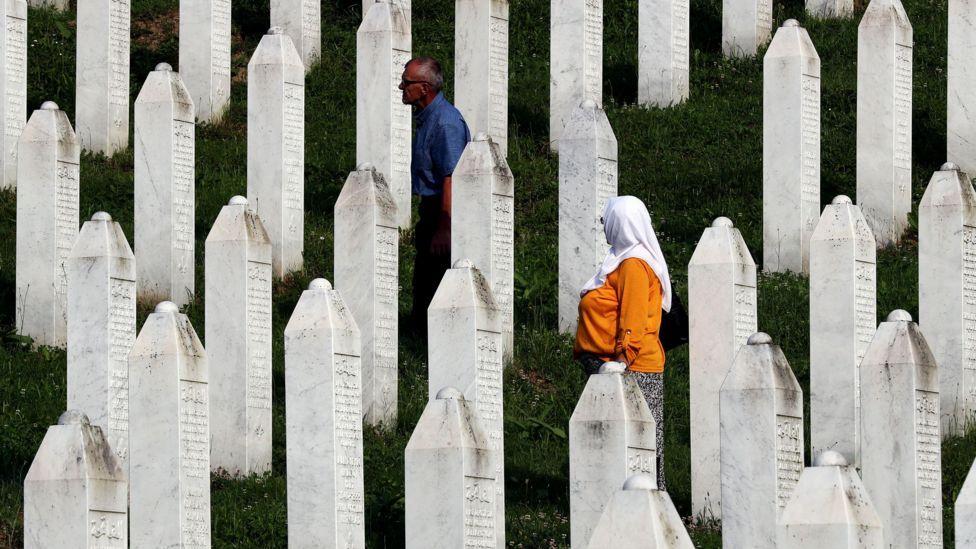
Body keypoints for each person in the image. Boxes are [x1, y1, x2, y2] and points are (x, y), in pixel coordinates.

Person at [573, 196, 673, 490]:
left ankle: (648, 508)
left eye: (608, 220)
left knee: (640, 449)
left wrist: (621, 365)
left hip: (633, 369)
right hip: (617, 367)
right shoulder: (620, 261)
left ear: (621, 223)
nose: (604, 225)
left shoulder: (633, 265)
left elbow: (634, 319)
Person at [400, 56, 471, 334]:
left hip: (440, 215)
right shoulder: (428, 117)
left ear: (425, 88)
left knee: (433, 285)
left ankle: (432, 345)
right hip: (430, 213)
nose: (400, 87)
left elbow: (451, 177)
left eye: (406, 82)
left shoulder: (445, 123)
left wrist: (445, 226)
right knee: (424, 285)